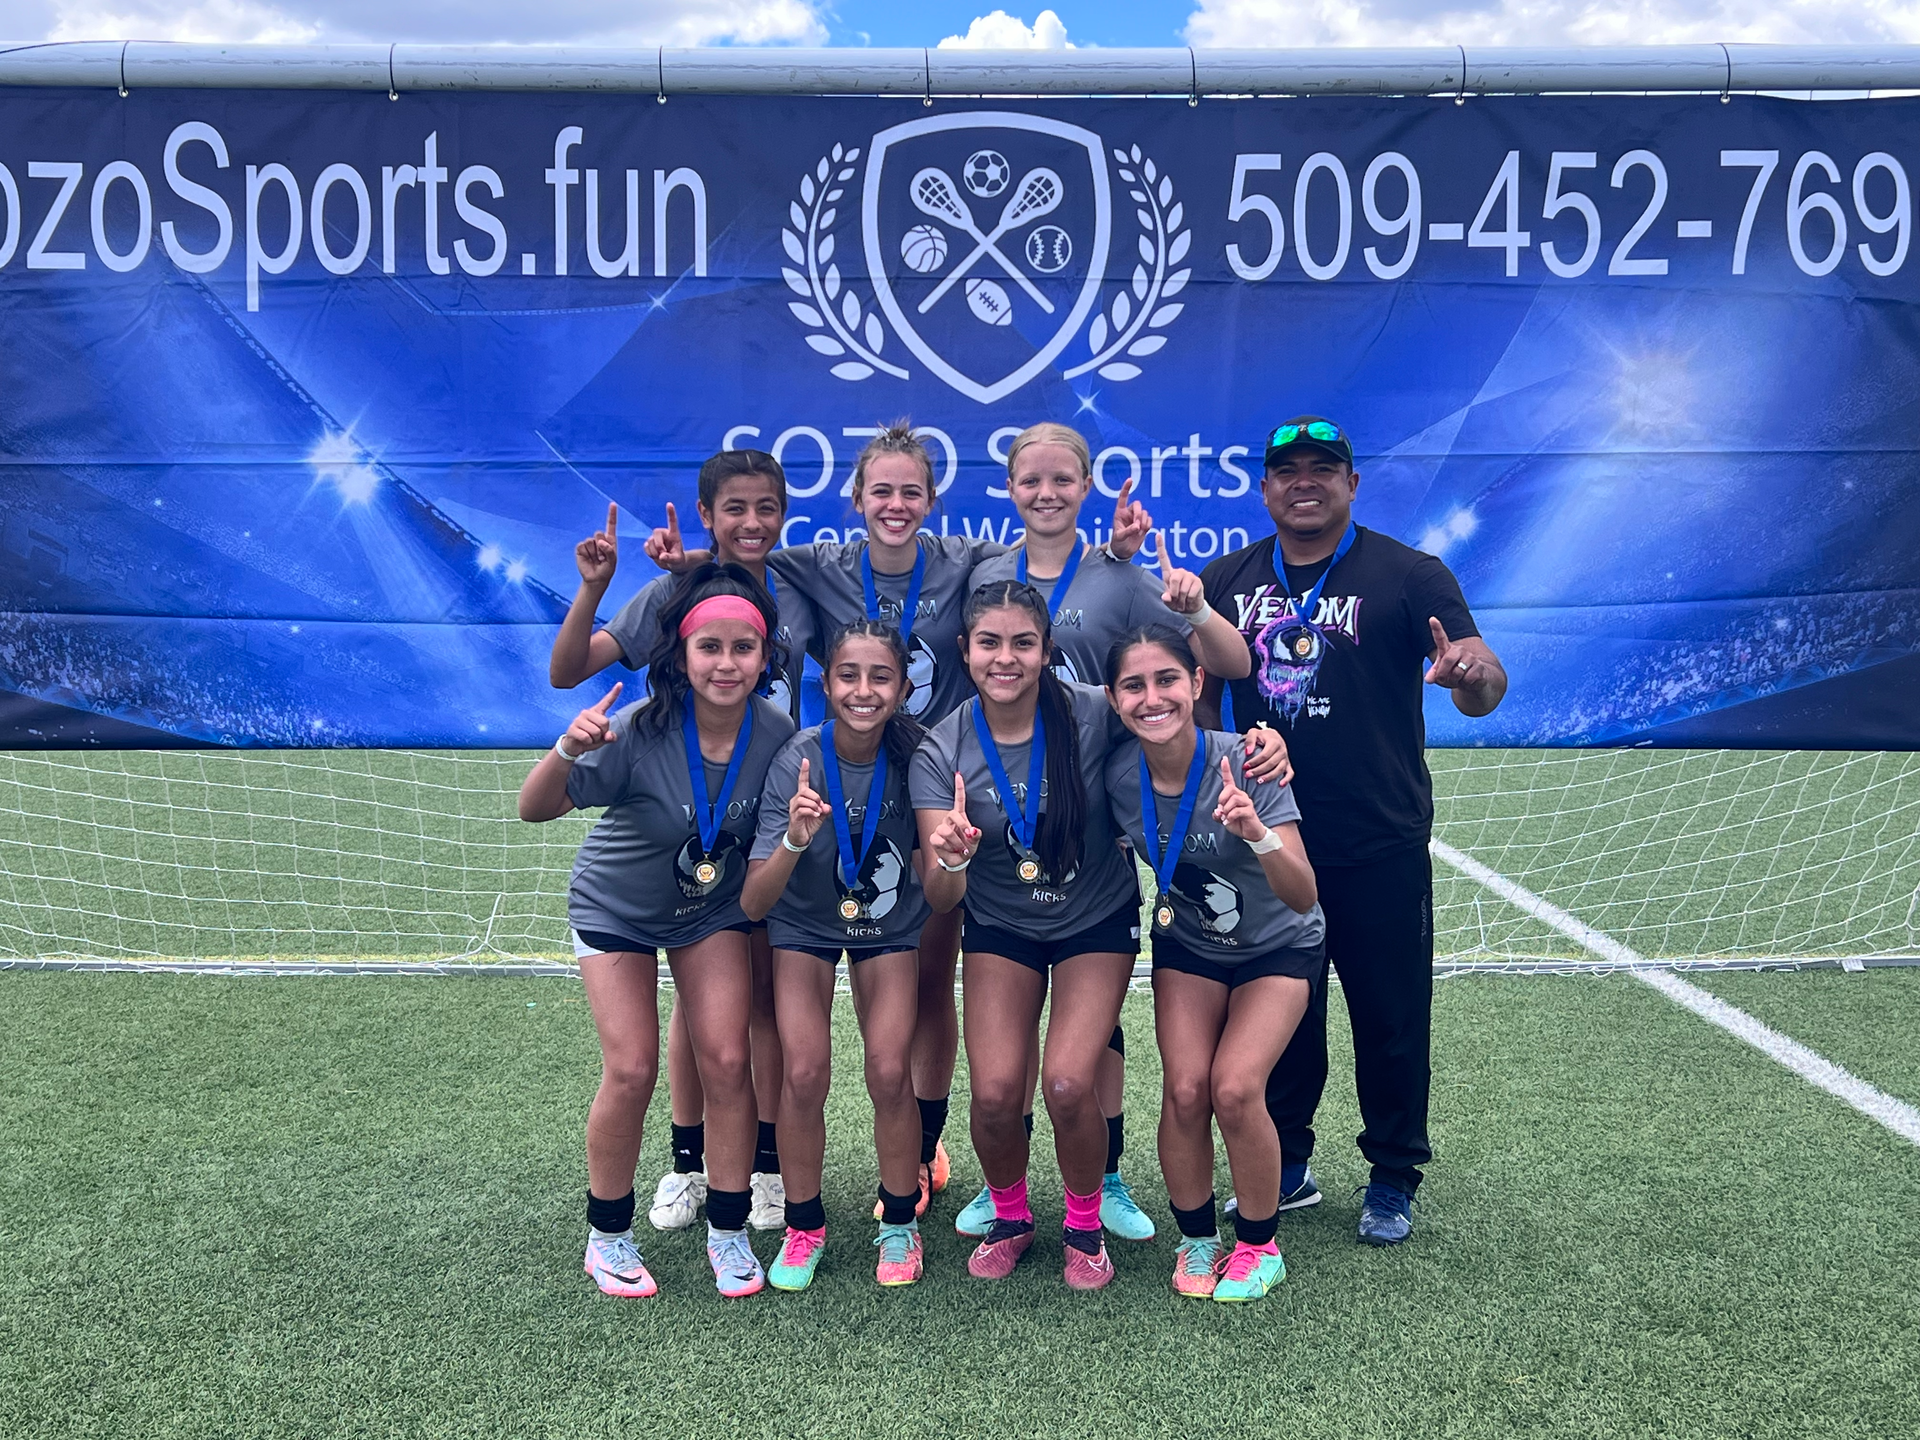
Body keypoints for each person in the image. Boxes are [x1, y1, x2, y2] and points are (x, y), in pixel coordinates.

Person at [646, 422, 1149, 1215]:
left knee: (925, 983)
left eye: (911, 490)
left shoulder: (971, 562)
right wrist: (689, 569)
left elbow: (1047, 558)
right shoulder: (810, 566)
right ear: (855, 500)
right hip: (832, 782)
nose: (895, 504)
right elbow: (742, 560)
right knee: (732, 974)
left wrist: (1117, 556)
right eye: (880, 490)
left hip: (935, 780)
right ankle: (707, 1160)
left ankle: (919, 1154)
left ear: (934, 499)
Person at [911, 582, 1290, 1289]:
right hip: (1000, 922)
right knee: (995, 1095)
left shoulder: (1093, 710)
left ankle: (1085, 1228)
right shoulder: (942, 747)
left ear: (1047, 651)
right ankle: (1013, 1216)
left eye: (1023, 642)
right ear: (964, 652)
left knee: (1064, 1080)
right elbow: (940, 895)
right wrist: (952, 860)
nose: (1006, 658)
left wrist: (1261, 743)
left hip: (1094, 921)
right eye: (989, 642)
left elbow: (1175, 726)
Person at [1198, 416, 1508, 1246]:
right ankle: (1286, 1161)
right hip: (1271, 840)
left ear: (1352, 484)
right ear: (1265, 488)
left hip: (1379, 838)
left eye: (1323, 469)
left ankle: (1393, 1175)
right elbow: (1196, 696)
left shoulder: (1409, 574)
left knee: (1391, 1013)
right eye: (1288, 470)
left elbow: (1482, 677)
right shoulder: (1227, 577)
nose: (1306, 482)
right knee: (1279, 1012)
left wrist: (1469, 678)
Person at [955, 421, 1255, 1245]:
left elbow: (1222, 666)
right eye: (1031, 481)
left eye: (1063, 480)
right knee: (1004, 1053)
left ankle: (1109, 1179)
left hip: (1095, 833)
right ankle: (1004, 1185)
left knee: (1092, 1042)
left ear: (1086, 488)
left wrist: (1193, 605)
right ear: (1009, 489)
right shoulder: (985, 571)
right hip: (1009, 830)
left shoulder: (1119, 577)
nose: (1046, 494)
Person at [550, 451, 811, 1236]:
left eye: (767, 507)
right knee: (701, 1021)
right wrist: (595, 588)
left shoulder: (800, 586)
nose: (752, 523)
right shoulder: (670, 593)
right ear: (707, 513)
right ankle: (688, 1163)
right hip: (682, 830)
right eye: (735, 508)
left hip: (765, 817)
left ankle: (763, 1168)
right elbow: (569, 671)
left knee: (748, 1011)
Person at [519, 563, 796, 1298]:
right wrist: (569, 748)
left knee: (728, 1061)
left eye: (744, 648)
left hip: (709, 911)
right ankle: (607, 1236)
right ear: (680, 656)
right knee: (634, 1066)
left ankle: (730, 1231)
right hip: (617, 909)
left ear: (765, 658)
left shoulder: (777, 735)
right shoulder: (638, 729)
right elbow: (533, 808)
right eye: (710, 648)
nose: (727, 663)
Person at [1103, 625, 1323, 1302]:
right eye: (1133, 686)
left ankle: (1259, 1245)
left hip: (1278, 944)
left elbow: (1302, 892)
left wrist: (1256, 834)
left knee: (1233, 1087)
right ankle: (1197, 1239)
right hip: (1190, 944)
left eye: (1167, 680)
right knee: (1186, 1089)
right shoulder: (1115, 777)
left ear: (1197, 684)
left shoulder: (1249, 762)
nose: (1152, 698)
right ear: (1113, 701)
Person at [741, 621, 932, 1289]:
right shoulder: (798, 758)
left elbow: (940, 881)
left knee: (887, 1071)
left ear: (904, 688)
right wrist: (794, 840)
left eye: (881, 677)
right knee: (802, 1073)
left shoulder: (919, 758)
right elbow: (755, 903)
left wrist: (952, 857)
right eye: (849, 675)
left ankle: (900, 1223)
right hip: (802, 924)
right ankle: (803, 1225)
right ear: (827, 683)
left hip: (888, 927)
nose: (863, 689)